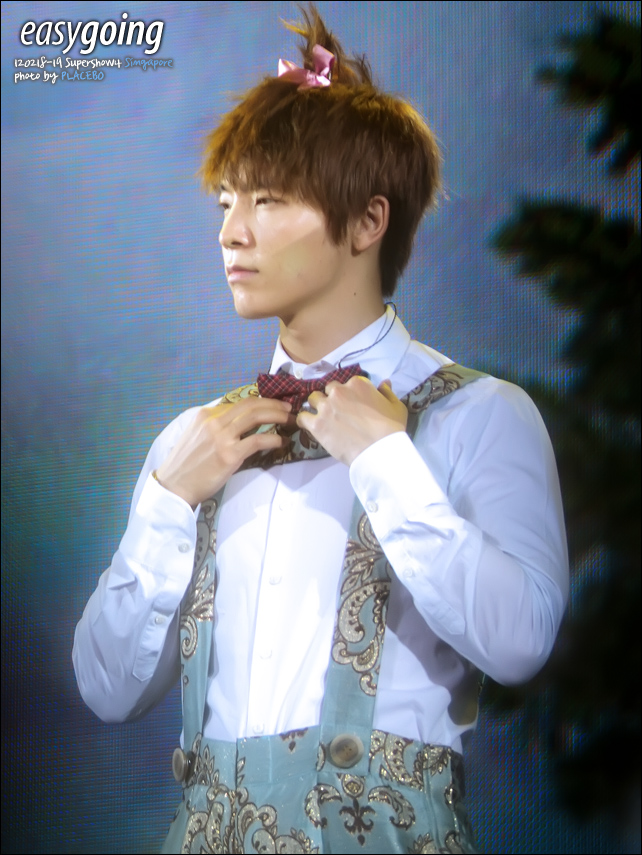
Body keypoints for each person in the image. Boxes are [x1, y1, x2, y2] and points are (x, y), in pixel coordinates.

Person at [73, 7, 568, 854]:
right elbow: (107, 690)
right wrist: (165, 501)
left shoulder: (480, 413)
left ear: (369, 222)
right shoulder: (195, 440)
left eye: (268, 201)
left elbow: (521, 641)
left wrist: (386, 460)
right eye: (227, 201)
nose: (231, 232)